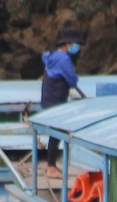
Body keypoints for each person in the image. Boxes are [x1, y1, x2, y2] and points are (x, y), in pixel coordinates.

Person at [39, 27, 82, 169]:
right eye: (76, 44)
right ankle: (51, 166)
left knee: (55, 133)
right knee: (57, 133)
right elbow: (72, 81)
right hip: (57, 101)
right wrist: (74, 74)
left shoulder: (53, 56)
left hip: (47, 99)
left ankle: (50, 164)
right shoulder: (64, 60)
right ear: (68, 44)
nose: (78, 48)